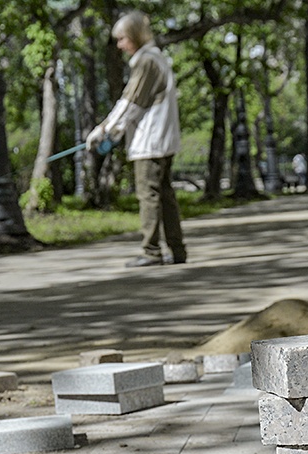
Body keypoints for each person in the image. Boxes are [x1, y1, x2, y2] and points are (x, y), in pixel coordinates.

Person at [86, 10, 187, 267]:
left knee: (149, 194)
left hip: (150, 141)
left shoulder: (146, 61)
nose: (119, 45)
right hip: (161, 138)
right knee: (164, 194)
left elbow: (130, 103)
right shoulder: (157, 58)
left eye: (122, 39)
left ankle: (151, 251)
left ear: (134, 36)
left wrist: (105, 128)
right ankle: (177, 249)